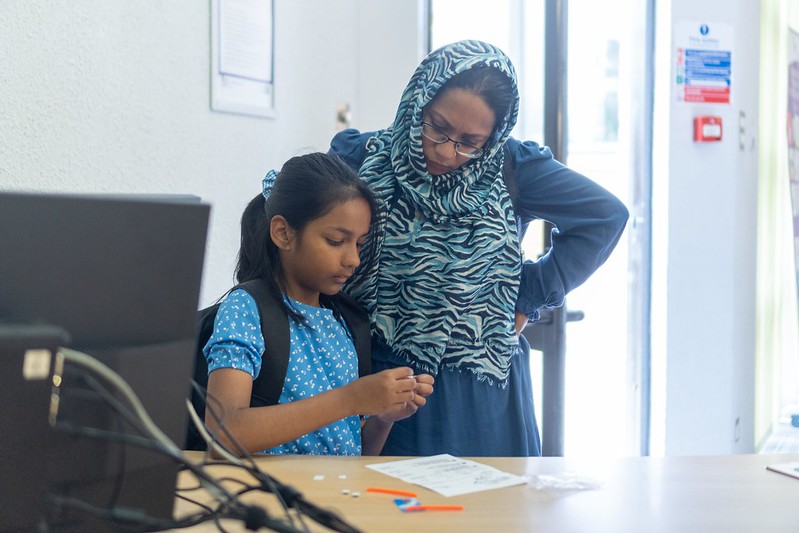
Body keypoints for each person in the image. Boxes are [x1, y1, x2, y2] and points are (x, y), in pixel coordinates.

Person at [328, 40, 629, 457]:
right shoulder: (360, 158)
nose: (447, 152)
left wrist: (527, 296)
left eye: (470, 141)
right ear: (420, 100)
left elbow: (605, 216)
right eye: (437, 126)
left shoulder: (508, 167)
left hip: (480, 398)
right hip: (373, 382)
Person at [203, 152, 434, 456]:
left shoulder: (348, 321)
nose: (353, 259)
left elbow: (355, 453)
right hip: (272, 498)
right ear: (283, 233)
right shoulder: (247, 309)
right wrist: (350, 399)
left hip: (334, 498)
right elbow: (223, 431)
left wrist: (382, 417)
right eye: (336, 241)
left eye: (360, 244)